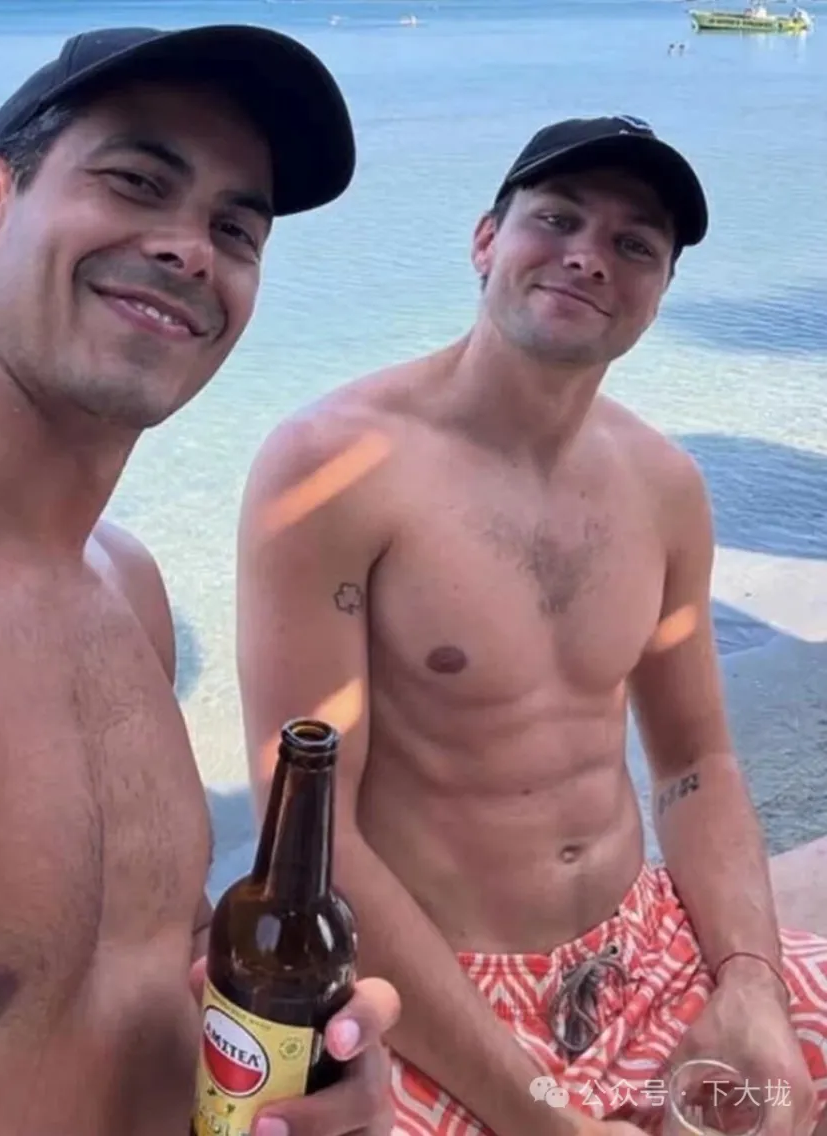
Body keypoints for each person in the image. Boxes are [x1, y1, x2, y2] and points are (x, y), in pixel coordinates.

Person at [0, 24, 403, 1136]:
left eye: (235, 229)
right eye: (137, 181)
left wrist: (309, 1083)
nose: (190, 249)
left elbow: (142, 964)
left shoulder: (126, 585)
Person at [236, 115, 827, 1136]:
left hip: (641, 955)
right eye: (557, 219)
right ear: (485, 240)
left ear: (659, 290)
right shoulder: (335, 469)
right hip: (428, 1001)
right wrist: (546, 1117)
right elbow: (311, 838)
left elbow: (695, 765)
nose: (589, 256)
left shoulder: (664, 486)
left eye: (634, 244)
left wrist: (750, 988)